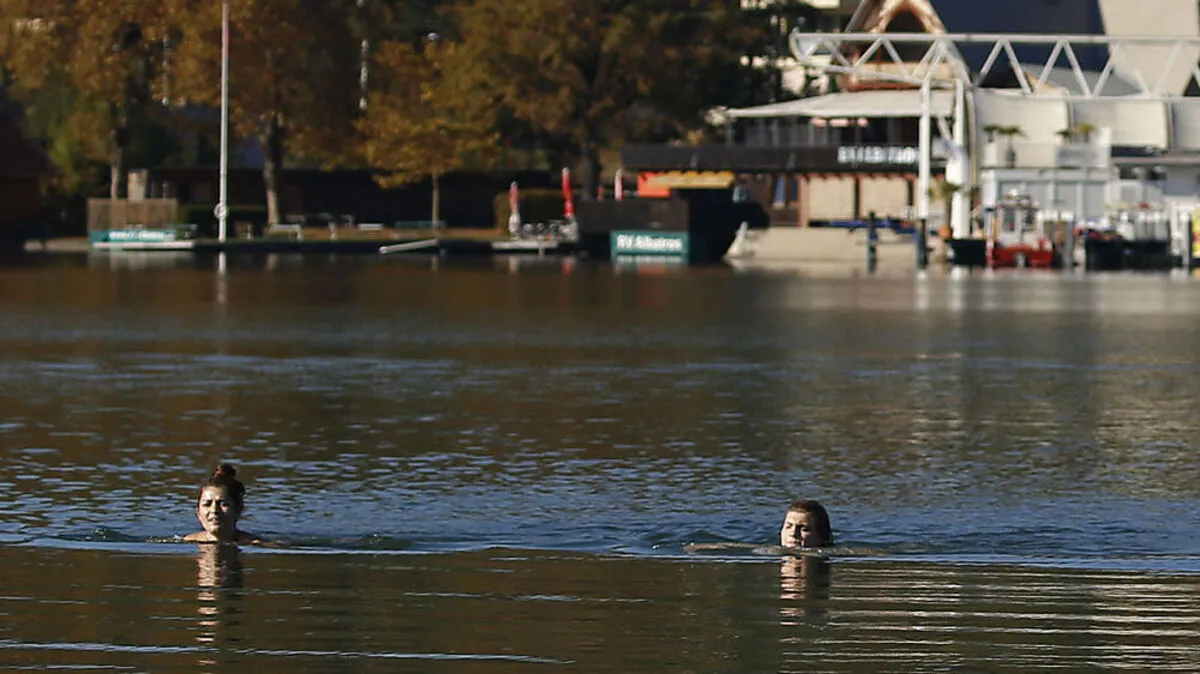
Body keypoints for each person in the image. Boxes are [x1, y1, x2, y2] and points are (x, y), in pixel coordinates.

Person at [184, 464, 261, 544]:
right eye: (207, 504)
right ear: (198, 512)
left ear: (238, 509)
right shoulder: (187, 543)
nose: (214, 510)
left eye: (223, 504)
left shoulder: (256, 545)